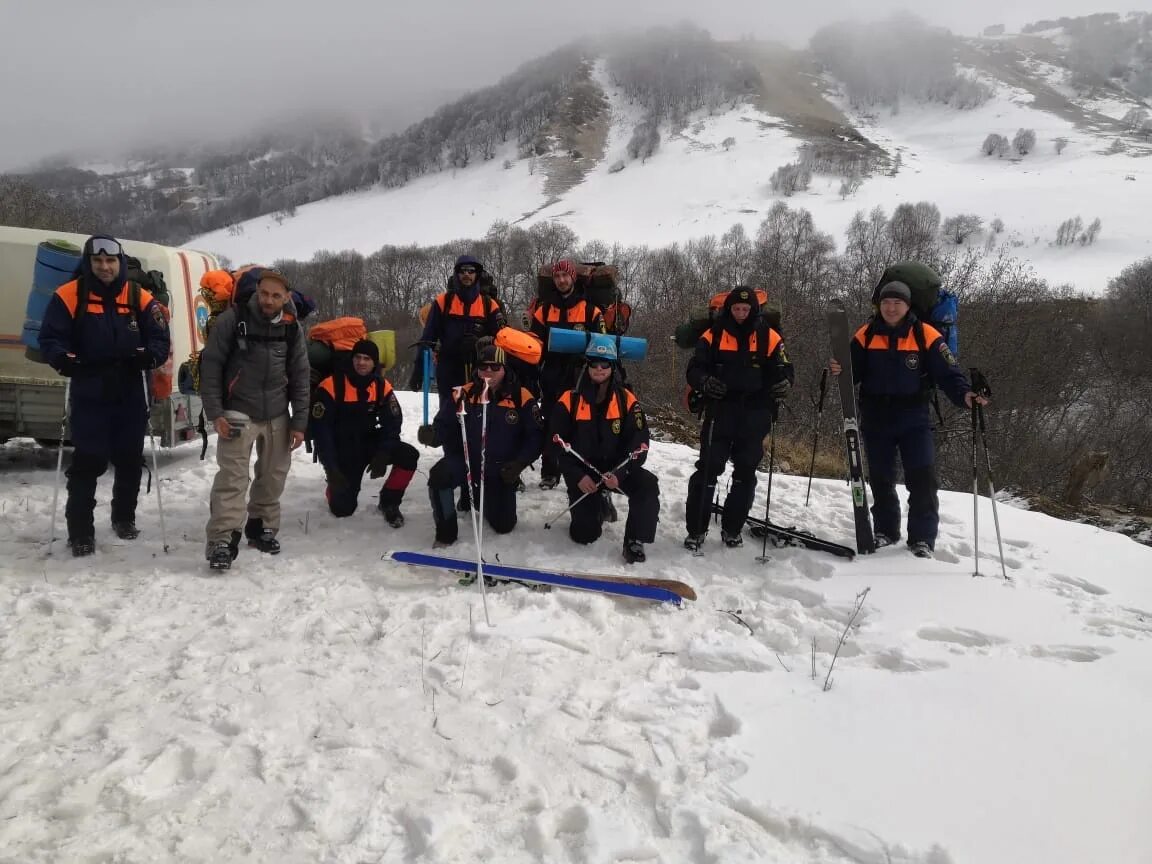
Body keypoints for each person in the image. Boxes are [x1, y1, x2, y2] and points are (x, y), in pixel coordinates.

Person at [829, 279, 988, 558]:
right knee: (881, 479)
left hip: (914, 418)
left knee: (923, 479)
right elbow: (851, 374)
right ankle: (886, 531)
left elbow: (949, 374)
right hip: (876, 416)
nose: (891, 308)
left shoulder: (925, 334)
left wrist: (966, 396)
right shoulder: (866, 334)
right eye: (886, 303)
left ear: (907, 305)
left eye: (897, 303)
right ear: (880, 305)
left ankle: (922, 539)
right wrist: (839, 367)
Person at [38, 234, 171, 556]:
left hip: (129, 388)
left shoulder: (138, 296)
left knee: (129, 459)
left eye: (110, 261)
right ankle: (80, 531)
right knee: (89, 460)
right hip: (89, 388)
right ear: (89, 262)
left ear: (120, 263)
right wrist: (62, 358)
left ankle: (124, 518)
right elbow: (50, 337)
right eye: (97, 261)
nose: (104, 266)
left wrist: (149, 357)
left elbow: (159, 337)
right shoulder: (69, 295)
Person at [199, 269, 311, 569]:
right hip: (237, 409)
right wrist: (215, 413)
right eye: (264, 293)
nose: (269, 300)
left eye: (276, 295)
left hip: (277, 411)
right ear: (256, 291)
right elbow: (210, 368)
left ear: (286, 297)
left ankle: (261, 526)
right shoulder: (232, 320)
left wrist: (299, 423)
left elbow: (301, 375)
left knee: (273, 475)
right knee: (233, 478)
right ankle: (222, 540)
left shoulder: (291, 326)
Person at [683, 287, 793, 551]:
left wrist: (785, 384)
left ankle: (732, 529)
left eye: (746, 309)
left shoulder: (770, 336)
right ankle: (696, 530)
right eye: (736, 309)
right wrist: (705, 382)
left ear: (754, 310)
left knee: (745, 472)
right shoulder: (714, 334)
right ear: (728, 309)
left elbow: (785, 369)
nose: (741, 314)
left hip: (756, 413)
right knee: (709, 468)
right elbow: (694, 369)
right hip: (720, 411)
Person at [550, 338, 658, 564]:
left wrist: (621, 473)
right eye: (595, 364)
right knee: (584, 535)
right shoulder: (569, 399)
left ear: (613, 367)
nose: (599, 369)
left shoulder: (627, 399)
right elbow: (555, 443)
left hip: (616, 470)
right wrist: (577, 476)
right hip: (584, 472)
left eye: (605, 364)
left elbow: (640, 443)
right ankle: (599, 503)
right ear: (586, 366)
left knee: (648, 484)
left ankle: (635, 539)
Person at [428, 340, 543, 546]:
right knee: (439, 476)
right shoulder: (463, 393)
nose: (488, 371)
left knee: (503, 525)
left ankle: (482, 497)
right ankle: (446, 533)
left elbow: (535, 437)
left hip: (500, 469)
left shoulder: (521, 397)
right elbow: (443, 425)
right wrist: (432, 435)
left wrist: (519, 464)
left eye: (495, 367)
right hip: (466, 462)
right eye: (483, 366)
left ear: (504, 369)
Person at [310, 339, 418, 526]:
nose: (361, 362)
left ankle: (389, 502)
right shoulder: (331, 386)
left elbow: (392, 424)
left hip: (369, 441)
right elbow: (321, 432)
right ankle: (333, 490)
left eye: (367, 359)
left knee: (409, 455)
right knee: (342, 510)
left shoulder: (381, 386)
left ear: (374, 362)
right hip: (342, 448)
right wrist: (332, 468)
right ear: (352, 359)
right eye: (358, 358)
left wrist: (383, 454)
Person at [530, 258, 606, 489]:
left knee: (583, 426)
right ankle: (550, 472)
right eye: (557, 276)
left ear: (573, 277)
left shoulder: (591, 311)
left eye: (566, 275)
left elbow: (602, 346)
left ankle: (581, 472)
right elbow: (534, 344)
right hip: (551, 376)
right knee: (552, 422)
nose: (562, 280)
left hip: (581, 376)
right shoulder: (544, 310)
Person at [415, 255, 506, 417]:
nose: (467, 275)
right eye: (463, 270)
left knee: (478, 420)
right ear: (456, 273)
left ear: (477, 274)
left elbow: (502, 338)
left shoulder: (488, 304)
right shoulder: (443, 302)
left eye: (471, 271)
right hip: (448, 370)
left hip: (480, 371)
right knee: (450, 418)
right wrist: (418, 370)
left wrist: (480, 342)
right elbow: (427, 339)